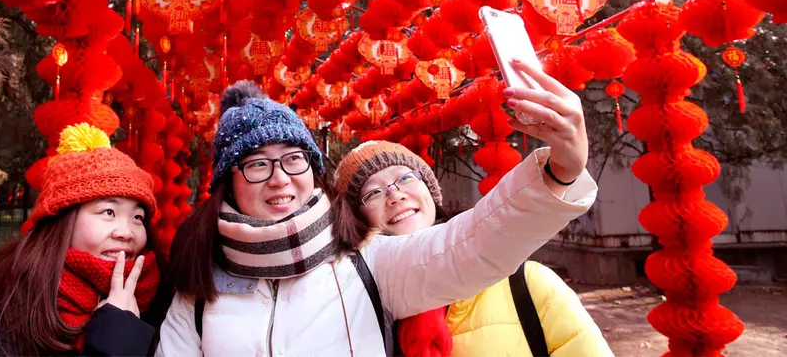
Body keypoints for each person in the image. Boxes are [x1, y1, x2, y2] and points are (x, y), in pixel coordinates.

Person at [156, 58, 598, 356]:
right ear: (227, 184)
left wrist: (558, 171)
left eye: (294, 159)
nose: (280, 177)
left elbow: (470, 245)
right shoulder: (199, 289)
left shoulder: (369, 262)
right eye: (256, 164)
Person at [334, 140, 613, 357]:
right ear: (356, 220)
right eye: (373, 193)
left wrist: (560, 171)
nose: (395, 195)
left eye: (405, 178)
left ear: (430, 189)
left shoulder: (528, 285)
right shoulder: (356, 309)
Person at [0, 123, 168, 356]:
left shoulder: (163, 294)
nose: (126, 232)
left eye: (137, 217)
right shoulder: (13, 299)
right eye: (109, 212)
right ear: (64, 219)